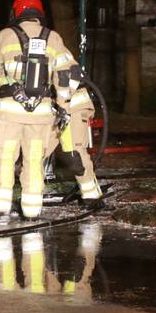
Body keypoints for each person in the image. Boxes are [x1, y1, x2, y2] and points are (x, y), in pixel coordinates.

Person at [0, 0, 75, 220]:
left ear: (17, 13)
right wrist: (62, 104)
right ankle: (32, 212)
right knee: (34, 162)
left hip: (9, 113)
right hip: (41, 115)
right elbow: (67, 74)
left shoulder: (5, 35)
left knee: (4, 160)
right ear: (39, 14)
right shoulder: (53, 38)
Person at [56, 65, 104, 207]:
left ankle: (91, 196)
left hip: (72, 106)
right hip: (51, 106)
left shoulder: (53, 45)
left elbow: (69, 73)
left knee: (74, 154)